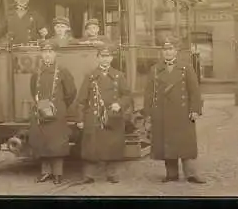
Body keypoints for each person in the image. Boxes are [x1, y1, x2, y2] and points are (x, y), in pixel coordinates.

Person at [143, 35, 206, 184]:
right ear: (162, 52)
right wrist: (148, 114)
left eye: (170, 49)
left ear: (176, 51)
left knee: (185, 143)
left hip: (183, 113)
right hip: (162, 113)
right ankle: (171, 174)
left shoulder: (186, 68)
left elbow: (194, 91)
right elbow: (148, 93)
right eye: (165, 49)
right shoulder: (155, 70)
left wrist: (195, 109)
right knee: (168, 143)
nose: (168, 52)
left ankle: (191, 174)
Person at [74, 44, 133, 184]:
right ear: (98, 58)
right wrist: (80, 119)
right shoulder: (90, 77)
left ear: (111, 58)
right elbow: (81, 100)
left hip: (112, 116)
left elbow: (127, 96)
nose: (105, 60)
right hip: (94, 117)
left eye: (107, 57)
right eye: (102, 57)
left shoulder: (119, 76)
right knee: (91, 147)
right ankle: (89, 175)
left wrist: (119, 103)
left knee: (112, 145)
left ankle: (112, 173)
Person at [28, 40, 77, 185]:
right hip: (41, 113)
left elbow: (71, 92)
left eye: (50, 52)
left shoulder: (63, 71)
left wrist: (59, 105)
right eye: (44, 52)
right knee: (43, 142)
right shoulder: (36, 73)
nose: (47, 55)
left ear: (55, 54)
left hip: (57, 113)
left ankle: (57, 173)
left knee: (57, 143)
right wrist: (42, 106)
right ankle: (45, 172)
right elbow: (33, 91)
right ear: (41, 54)